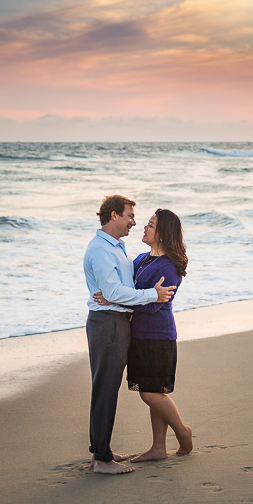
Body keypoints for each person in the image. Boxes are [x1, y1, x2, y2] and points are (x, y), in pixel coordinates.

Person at [83, 195, 176, 475]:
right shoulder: (101, 250)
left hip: (117, 320)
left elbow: (116, 290)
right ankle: (101, 459)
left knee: (108, 388)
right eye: (129, 216)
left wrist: (115, 299)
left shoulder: (117, 248)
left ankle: (103, 450)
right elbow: (112, 292)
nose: (134, 223)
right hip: (107, 324)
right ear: (113, 216)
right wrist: (152, 295)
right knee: (105, 389)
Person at [95, 208, 193, 462]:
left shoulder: (169, 266)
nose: (144, 227)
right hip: (138, 334)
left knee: (150, 393)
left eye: (150, 225)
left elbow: (152, 304)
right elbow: (127, 290)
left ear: (162, 233)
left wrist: (112, 299)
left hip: (158, 336)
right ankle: (158, 448)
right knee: (154, 391)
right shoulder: (140, 259)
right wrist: (111, 294)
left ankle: (182, 432)